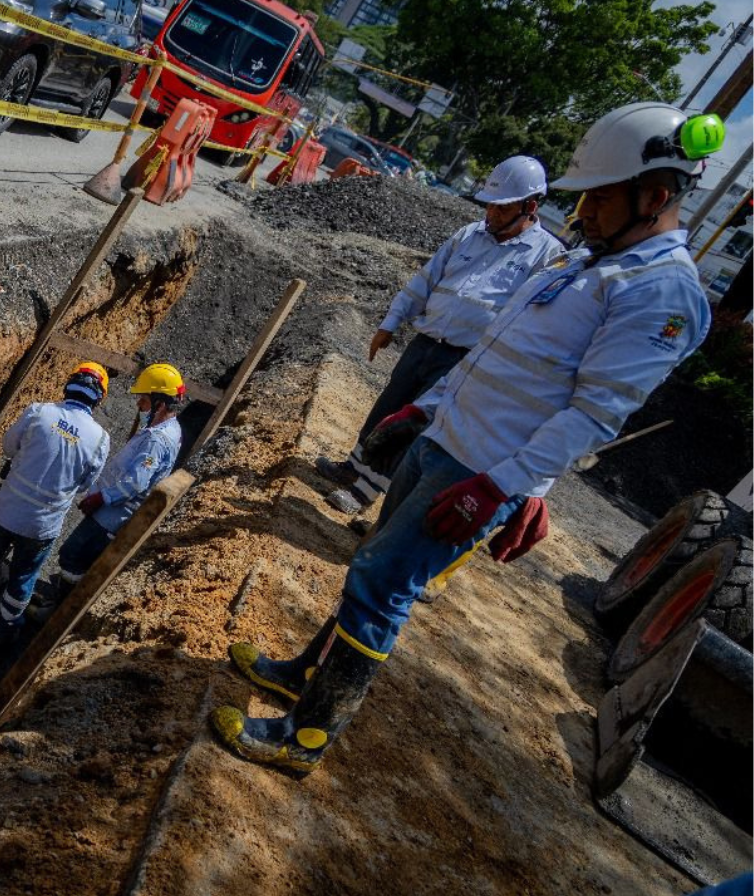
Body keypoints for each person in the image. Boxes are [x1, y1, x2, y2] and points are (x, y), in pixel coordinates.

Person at [213, 102, 723, 776]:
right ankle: (303, 673)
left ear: (654, 197)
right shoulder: (586, 262)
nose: (586, 210)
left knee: (384, 587)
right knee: (373, 565)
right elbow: (494, 349)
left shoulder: (660, 294)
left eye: (600, 196)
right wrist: (422, 408)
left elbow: (595, 415)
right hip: (447, 438)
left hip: (481, 470)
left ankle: (306, 737)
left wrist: (504, 489)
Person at [317, 155, 566, 517]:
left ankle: (363, 493)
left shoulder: (547, 256)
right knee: (389, 406)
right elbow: (426, 280)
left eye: (502, 208)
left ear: (529, 207)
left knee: (413, 424)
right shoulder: (470, 234)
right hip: (426, 342)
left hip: (464, 359)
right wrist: (391, 322)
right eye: (490, 206)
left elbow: (533, 321)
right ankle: (354, 467)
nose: (491, 214)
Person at [0, 362, 111, 648]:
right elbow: (84, 485)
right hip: (43, 525)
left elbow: (8, 447)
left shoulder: (40, 411)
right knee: (22, 581)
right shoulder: (100, 439)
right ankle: (4, 636)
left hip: (6, 511)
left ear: (70, 384)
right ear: (99, 397)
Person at [28, 363, 186, 622]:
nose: (139, 405)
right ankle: (58, 602)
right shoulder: (168, 430)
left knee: (73, 556)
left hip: (113, 515)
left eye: (144, 401)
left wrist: (102, 497)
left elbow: (138, 481)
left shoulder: (158, 440)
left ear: (160, 403)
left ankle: (58, 615)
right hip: (112, 511)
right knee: (77, 558)